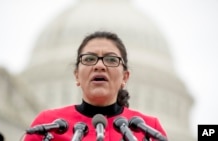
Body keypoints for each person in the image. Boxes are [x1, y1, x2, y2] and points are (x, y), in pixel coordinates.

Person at [23, 31, 167, 141]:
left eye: (111, 59)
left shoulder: (148, 128)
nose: (99, 66)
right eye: (89, 59)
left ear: (125, 77)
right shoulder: (49, 124)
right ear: (77, 75)